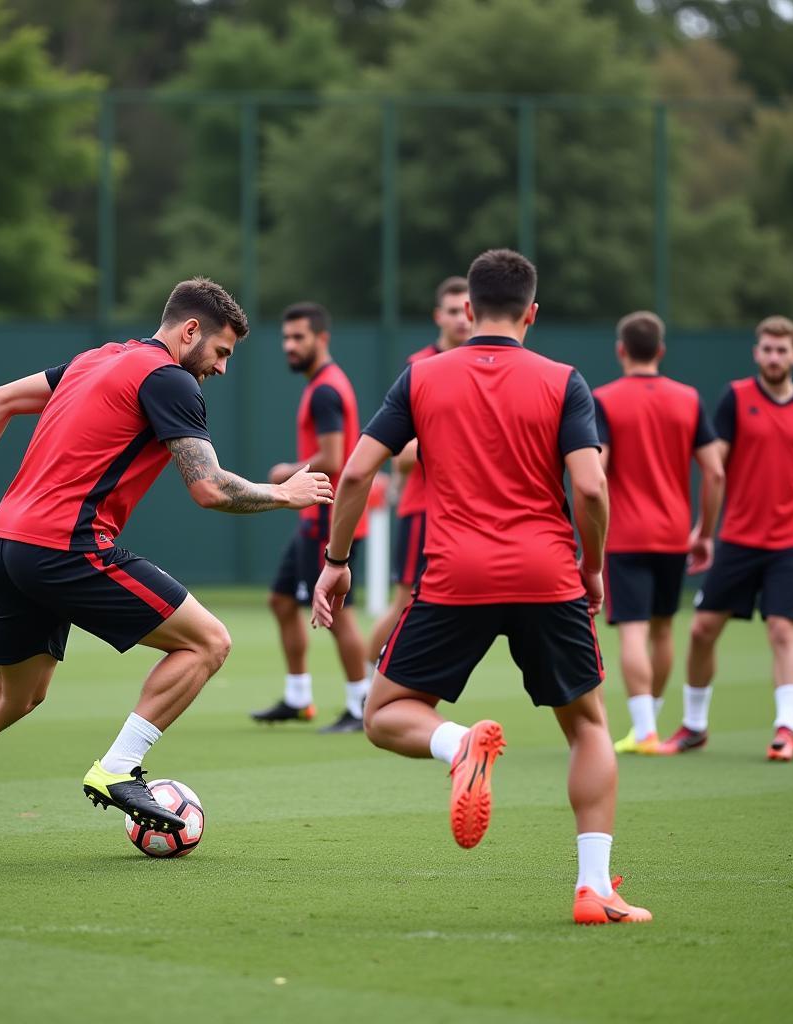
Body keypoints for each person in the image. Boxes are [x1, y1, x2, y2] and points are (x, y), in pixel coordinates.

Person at [0, 278, 332, 864]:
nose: (221, 368)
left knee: (15, 696)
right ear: (190, 331)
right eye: (221, 352)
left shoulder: (97, 359)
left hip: (6, 544)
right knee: (209, 643)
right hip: (66, 546)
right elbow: (209, 488)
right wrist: (282, 493)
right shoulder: (169, 379)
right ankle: (119, 769)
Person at [312, 249, 651, 924]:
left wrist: (338, 559)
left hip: (453, 573)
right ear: (531, 313)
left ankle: (455, 742)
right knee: (588, 727)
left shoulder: (421, 377)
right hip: (547, 572)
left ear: (466, 310)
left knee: (384, 715)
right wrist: (592, 566)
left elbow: (354, 475)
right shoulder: (565, 380)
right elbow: (589, 485)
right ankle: (592, 890)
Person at [663, 316, 793, 762]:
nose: (773, 357)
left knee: (782, 628)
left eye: (782, 350)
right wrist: (705, 532)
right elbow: (715, 467)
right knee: (702, 629)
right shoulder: (736, 398)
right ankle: (694, 726)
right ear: (756, 352)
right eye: (766, 348)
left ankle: (786, 729)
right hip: (739, 538)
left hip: (790, 540)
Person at [592, 312, 724, 755]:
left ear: (620, 350)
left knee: (631, 630)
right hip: (673, 535)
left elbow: (598, 469)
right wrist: (704, 531)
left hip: (626, 535)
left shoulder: (604, 399)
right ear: (661, 351)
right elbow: (715, 472)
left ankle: (645, 729)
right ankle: (652, 722)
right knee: (663, 629)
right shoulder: (687, 398)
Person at [252, 302, 369, 734]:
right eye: (286, 337)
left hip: (328, 517)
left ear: (322, 339)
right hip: (316, 518)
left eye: (299, 337)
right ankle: (299, 697)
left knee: (338, 615)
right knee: (281, 601)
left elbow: (333, 456)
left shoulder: (325, 389)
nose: (289, 345)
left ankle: (361, 705)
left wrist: (286, 472)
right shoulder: (321, 383)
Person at [366, 277, 472, 666]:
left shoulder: (481, 364)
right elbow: (402, 456)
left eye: (466, 310)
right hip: (424, 508)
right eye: (451, 311)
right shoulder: (420, 367)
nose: (461, 320)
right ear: (437, 317)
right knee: (407, 601)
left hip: (465, 511)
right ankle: (363, 684)